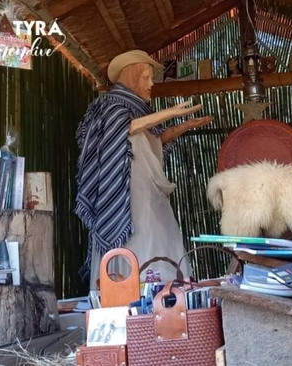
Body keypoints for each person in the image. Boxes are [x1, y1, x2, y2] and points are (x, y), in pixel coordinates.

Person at [75, 50, 213, 289]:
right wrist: (170, 112)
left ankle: (164, 293)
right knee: (134, 239)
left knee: (158, 233)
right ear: (132, 76)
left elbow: (153, 139)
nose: (151, 84)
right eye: (147, 77)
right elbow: (123, 129)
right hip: (122, 192)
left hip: (147, 189)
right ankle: (127, 293)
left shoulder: (140, 110)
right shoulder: (110, 104)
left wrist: (185, 125)